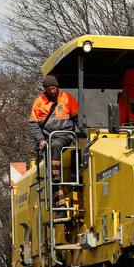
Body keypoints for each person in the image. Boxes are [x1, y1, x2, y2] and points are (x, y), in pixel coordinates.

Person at [28, 74, 80, 203]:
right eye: (49, 89)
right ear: (45, 89)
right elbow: (33, 123)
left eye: (53, 88)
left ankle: (56, 175)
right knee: (50, 168)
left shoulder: (68, 98)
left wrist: (84, 133)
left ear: (57, 87)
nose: (52, 91)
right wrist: (40, 140)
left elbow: (76, 118)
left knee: (55, 145)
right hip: (48, 137)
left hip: (65, 134)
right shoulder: (39, 102)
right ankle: (60, 204)